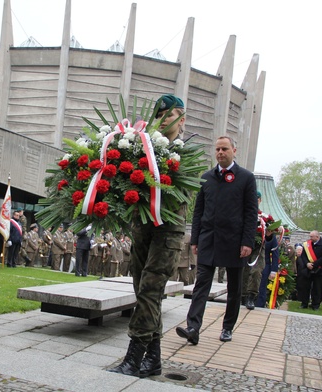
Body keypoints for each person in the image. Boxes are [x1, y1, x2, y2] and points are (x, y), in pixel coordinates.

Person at [109, 95, 192, 378]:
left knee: (150, 290)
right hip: (143, 227)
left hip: (168, 230)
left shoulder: (185, 154)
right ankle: (153, 359)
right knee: (142, 291)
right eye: (160, 114)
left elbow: (182, 195)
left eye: (169, 114)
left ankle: (133, 358)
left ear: (181, 118)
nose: (163, 119)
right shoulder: (141, 147)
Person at [176, 134, 257, 347]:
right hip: (209, 239)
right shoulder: (207, 177)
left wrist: (247, 242)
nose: (220, 153)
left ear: (234, 151)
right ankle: (193, 328)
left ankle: (227, 327)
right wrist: (195, 239)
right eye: (218, 149)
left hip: (234, 241)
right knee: (201, 284)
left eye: (224, 149)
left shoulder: (246, 178)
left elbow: (251, 213)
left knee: (234, 288)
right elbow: (198, 211)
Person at [296, 230, 322, 310]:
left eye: (311, 236)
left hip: (319, 270)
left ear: (317, 237)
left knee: (317, 288)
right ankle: (304, 303)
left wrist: (314, 264)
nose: (310, 238)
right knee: (306, 287)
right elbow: (303, 256)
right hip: (308, 269)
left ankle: (315, 305)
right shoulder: (307, 244)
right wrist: (307, 263)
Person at [255, 226, 280, 308]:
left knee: (262, 285)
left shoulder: (272, 239)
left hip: (266, 264)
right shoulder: (257, 235)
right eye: (266, 230)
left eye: (269, 230)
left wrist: (273, 271)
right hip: (253, 262)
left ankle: (260, 304)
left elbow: (275, 255)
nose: (267, 232)